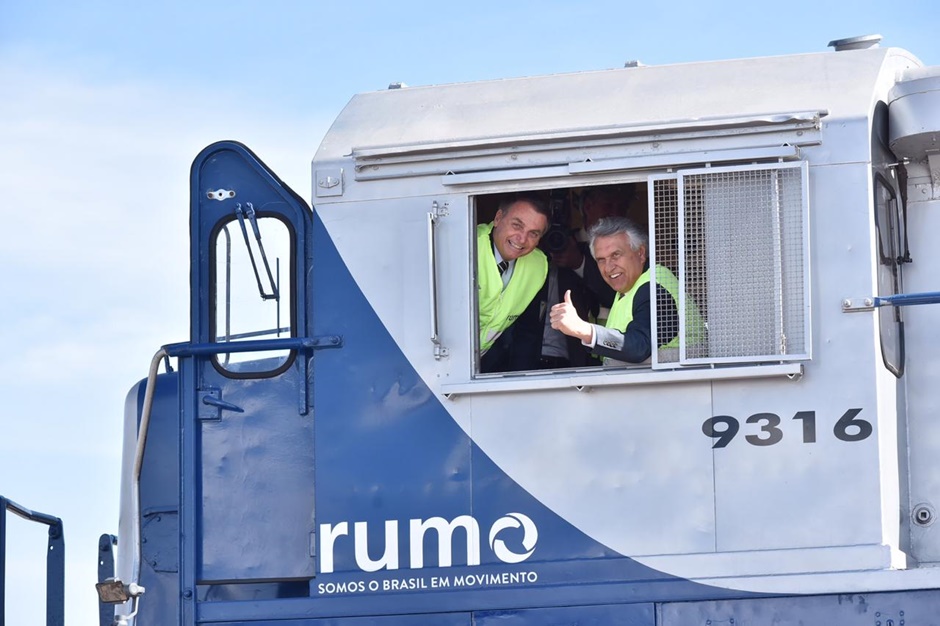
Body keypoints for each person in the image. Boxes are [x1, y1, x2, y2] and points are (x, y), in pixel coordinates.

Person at [549, 216, 688, 365]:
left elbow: (638, 347)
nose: (608, 268)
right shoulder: (630, 286)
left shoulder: (654, 287)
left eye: (616, 255)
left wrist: (583, 329)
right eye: (601, 260)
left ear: (641, 253)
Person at [478, 194, 551, 373]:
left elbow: (527, 332)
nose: (522, 239)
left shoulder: (538, 265)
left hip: (483, 365)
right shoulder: (466, 245)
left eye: (533, 234)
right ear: (497, 218)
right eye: (517, 225)